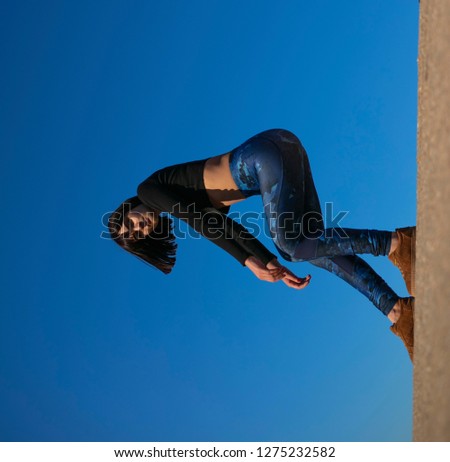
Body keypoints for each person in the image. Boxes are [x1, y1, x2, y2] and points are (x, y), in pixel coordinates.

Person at [108, 129, 415, 361]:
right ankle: (397, 310)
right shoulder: (167, 195)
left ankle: (398, 243)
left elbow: (201, 221)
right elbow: (226, 227)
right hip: (278, 149)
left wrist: (253, 262)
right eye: (138, 235)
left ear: (130, 207)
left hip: (264, 156)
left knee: (291, 246)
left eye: (131, 222)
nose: (140, 226)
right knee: (312, 247)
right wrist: (266, 262)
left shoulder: (147, 190)